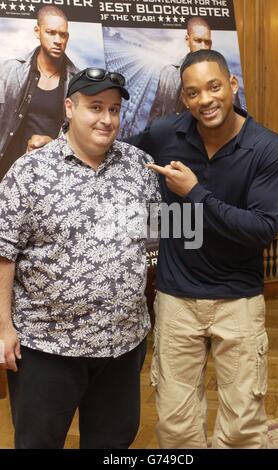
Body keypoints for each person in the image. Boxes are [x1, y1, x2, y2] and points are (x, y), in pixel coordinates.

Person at [128, 50, 278, 449]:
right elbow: (113, 149)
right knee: (176, 425)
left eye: (214, 87)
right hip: (175, 298)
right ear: (184, 98)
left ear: (232, 85)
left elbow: (261, 230)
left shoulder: (266, 147)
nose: (206, 99)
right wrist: (57, 141)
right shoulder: (166, 134)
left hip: (239, 300)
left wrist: (195, 193)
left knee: (241, 427)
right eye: (194, 92)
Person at [0, 68, 160, 449]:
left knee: (113, 444)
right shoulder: (31, 171)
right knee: (39, 443)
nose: (107, 119)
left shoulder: (140, 166)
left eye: (115, 109)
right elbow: (2, 251)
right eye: (95, 107)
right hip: (46, 348)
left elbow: (158, 239)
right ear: (69, 108)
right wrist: (3, 327)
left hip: (122, 345)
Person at [0, 5, 78, 181]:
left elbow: (83, 140)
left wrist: (53, 144)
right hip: (8, 176)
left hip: (53, 179)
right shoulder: (8, 71)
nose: (58, 40)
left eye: (63, 34)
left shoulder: (77, 82)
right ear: (37, 31)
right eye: (51, 32)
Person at [149, 17, 241, 122]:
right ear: (187, 40)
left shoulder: (225, 81)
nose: (203, 47)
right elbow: (155, 114)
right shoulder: (167, 73)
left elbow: (235, 122)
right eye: (198, 40)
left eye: (207, 42)